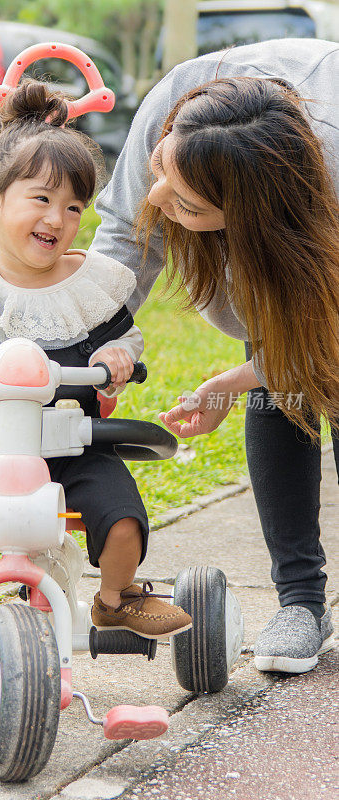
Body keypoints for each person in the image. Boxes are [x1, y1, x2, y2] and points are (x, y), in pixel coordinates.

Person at [0, 80, 191, 666]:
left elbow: (123, 340)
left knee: (122, 518)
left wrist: (116, 360)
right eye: (40, 199)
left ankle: (115, 596)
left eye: (75, 206)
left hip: (74, 445)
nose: (58, 218)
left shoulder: (93, 283)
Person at [91, 37, 339, 674]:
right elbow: (122, 237)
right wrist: (78, 346)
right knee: (280, 391)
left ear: (257, 220)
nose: (157, 201)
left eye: (187, 204)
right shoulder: (177, 104)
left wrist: (242, 376)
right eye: (160, 172)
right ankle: (302, 601)